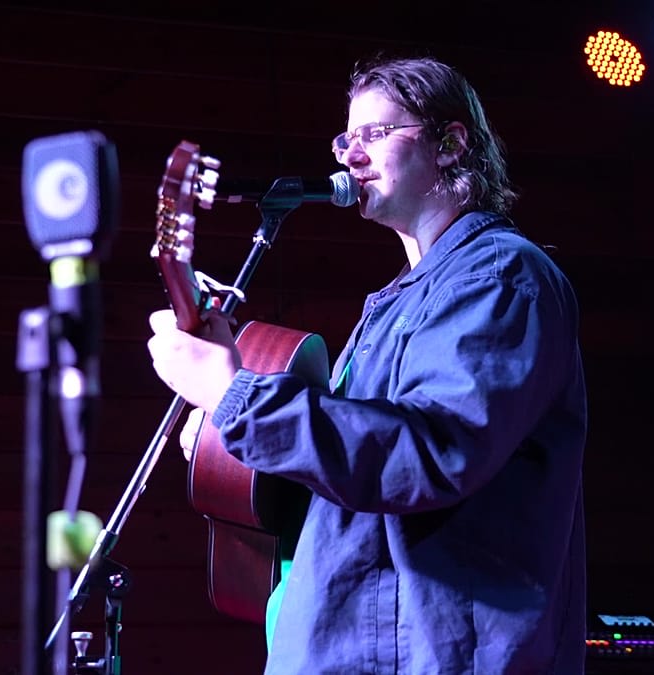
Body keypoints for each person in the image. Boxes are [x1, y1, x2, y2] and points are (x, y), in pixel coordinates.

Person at [148, 54, 588, 674]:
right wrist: (229, 430)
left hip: (432, 655)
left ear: (450, 144)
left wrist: (238, 398)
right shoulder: (399, 301)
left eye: (375, 134)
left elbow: (430, 455)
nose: (350, 157)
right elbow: (354, 494)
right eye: (345, 139)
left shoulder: (500, 277)